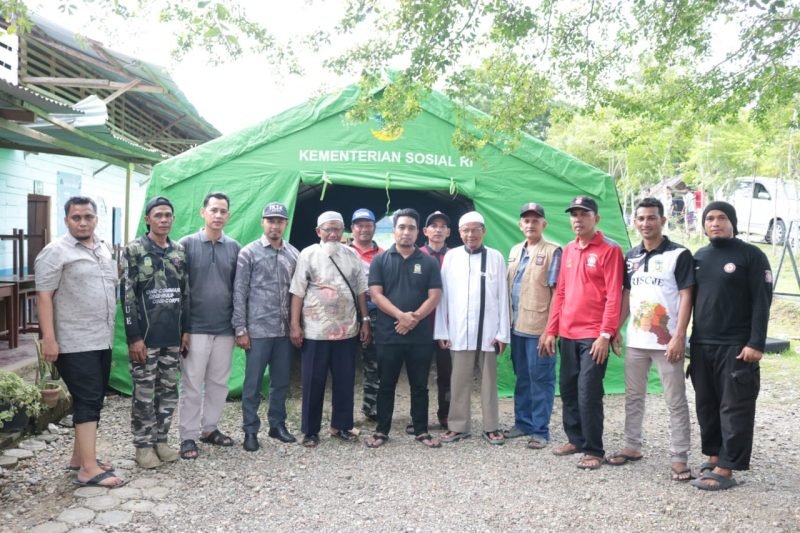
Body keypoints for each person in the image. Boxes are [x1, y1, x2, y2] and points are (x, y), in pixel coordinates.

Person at [35, 196, 125, 487]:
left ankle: (80, 458)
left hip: (102, 339)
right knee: (88, 400)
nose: (83, 222)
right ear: (66, 220)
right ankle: (88, 469)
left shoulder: (102, 248)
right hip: (74, 341)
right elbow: (44, 296)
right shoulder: (54, 252)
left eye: (88, 216)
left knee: (93, 398)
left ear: (96, 218)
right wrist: (49, 339)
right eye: (76, 217)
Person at [607, 198, 694, 481]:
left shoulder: (679, 254)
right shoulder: (630, 256)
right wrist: (616, 330)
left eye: (652, 218)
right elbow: (626, 294)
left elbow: (686, 295)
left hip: (667, 342)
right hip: (636, 340)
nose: (646, 223)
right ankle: (632, 446)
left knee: (675, 400)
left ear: (663, 220)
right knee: (633, 397)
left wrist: (679, 336)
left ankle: (679, 456)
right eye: (641, 218)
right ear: (636, 222)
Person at [688, 201, 772, 491]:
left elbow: (762, 301)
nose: (715, 223)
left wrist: (756, 342)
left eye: (721, 218)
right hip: (702, 344)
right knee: (706, 405)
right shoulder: (699, 257)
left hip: (736, 346)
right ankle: (714, 455)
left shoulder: (752, 256)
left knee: (734, 407)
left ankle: (727, 467)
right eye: (709, 218)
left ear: (732, 222)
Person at [541, 195, 624, 470]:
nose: (577, 219)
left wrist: (606, 334)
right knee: (568, 389)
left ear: (596, 219)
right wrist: (551, 330)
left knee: (588, 391)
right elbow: (561, 292)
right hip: (568, 333)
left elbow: (614, 295)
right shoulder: (568, 250)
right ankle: (575, 439)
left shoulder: (609, 250)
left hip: (593, 335)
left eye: (584, 214)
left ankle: (594, 449)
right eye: (574, 214)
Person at [289, 211, 371, 447]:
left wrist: (365, 320)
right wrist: (295, 325)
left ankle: (341, 426)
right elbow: (297, 291)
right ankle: (310, 431)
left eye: (338, 229)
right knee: (313, 381)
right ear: (319, 232)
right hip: (316, 331)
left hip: (347, 329)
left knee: (345, 380)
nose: (333, 234)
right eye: (328, 229)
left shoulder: (351, 255)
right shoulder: (308, 254)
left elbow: (360, 290)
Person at [365, 208, 443, 449]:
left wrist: (415, 318)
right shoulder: (380, 260)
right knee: (386, 384)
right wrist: (401, 316)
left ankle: (421, 430)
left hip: (419, 335)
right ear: (394, 230)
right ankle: (382, 430)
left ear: (418, 232)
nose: (406, 232)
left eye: (411, 228)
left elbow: (435, 295)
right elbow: (376, 295)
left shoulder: (428, 261)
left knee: (420, 384)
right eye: (401, 227)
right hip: (389, 333)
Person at [121, 196, 189, 469]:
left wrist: (187, 330)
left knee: (168, 391)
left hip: (172, 337)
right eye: (158, 215)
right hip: (145, 338)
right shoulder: (135, 250)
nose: (163, 220)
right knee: (144, 393)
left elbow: (185, 293)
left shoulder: (179, 251)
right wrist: (133, 337)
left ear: (173, 219)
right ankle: (143, 446)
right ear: (148, 219)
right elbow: (127, 296)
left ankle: (161, 440)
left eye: (168, 215)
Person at [435, 211, 510, 445]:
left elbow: (503, 298)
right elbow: (442, 297)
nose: (470, 234)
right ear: (459, 233)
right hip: (458, 330)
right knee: (458, 380)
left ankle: (491, 427)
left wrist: (502, 333)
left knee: (488, 382)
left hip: (488, 332)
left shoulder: (495, 257)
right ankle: (458, 426)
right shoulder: (451, 257)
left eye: (475, 229)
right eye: (466, 230)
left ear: (484, 231)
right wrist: (442, 331)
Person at [177, 192, 241, 459]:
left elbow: (238, 289)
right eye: (213, 210)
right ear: (202, 212)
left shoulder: (235, 247)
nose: (218, 215)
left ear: (228, 215)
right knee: (192, 383)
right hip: (195, 328)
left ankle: (210, 429)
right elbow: (178, 289)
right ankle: (188, 436)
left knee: (218, 382)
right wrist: (182, 328)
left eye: (222, 211)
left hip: (224, 328)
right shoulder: (185, 245)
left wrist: (239, 326)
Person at [233, 202, 300, 451]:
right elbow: (239, 292)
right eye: (270, 220)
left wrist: (297, 325)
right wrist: (240, 328)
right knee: (252, 384)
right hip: (257, 330)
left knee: (281, 381)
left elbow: (298, 293)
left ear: (286, 224)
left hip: (283, 330)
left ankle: (277, 424)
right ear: (262, 222)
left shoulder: (293, 254)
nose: (275, 225)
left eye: (279, 221)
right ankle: (250, 430)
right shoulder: (248, 253)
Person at [504, 202, 562, 450]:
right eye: (526, 220)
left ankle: (540, 430)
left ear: (544, 224)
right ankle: (523, 422)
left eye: (535, 220)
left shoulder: (553, 251)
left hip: (540, 329)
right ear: (520, 225)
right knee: (523, 378)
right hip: (516, 326)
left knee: (541, 379)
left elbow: (558, 293)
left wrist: (551, 330)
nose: (530, 224)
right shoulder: (516, 250)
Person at [348, 208, 383, 421]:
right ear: (352, 228)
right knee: (344, 364)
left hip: (374, 314)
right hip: (344, 315)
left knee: (373, 363)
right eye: (359, 225)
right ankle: (343, 412)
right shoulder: (342, 251)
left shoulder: (384, 254)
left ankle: (371, 408)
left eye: (368, 225)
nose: (363, 229)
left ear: (374, 228)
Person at [418, 210, 452, 431]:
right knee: (418, 374)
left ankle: (446, 415)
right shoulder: (416, 254)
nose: (438, 229)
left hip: (447, 326)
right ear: (425, 231)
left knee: (447, 374)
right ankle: (418, 417)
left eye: (442, 226)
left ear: (449, 232)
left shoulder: (457, 256)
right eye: (433, 225)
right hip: (421, 324)